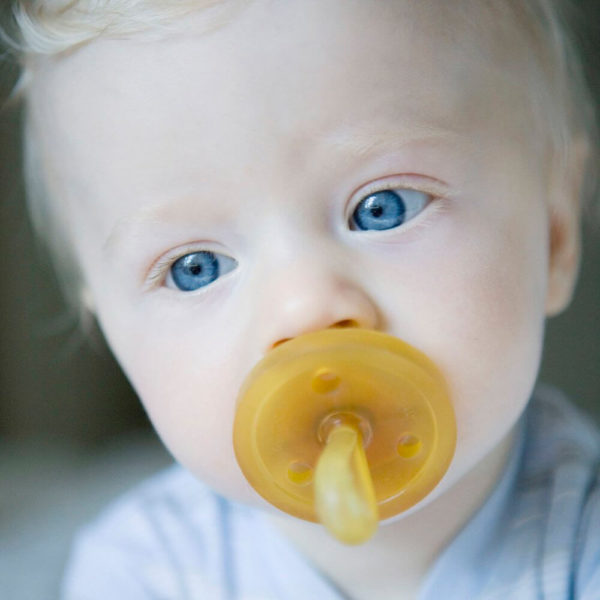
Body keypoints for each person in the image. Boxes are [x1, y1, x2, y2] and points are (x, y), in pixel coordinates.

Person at [5, 0, 600, 598]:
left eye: (382, 207)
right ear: (110, 332)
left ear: (554, 234)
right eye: (196, 268)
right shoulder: (144, 573)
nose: (305, 309)